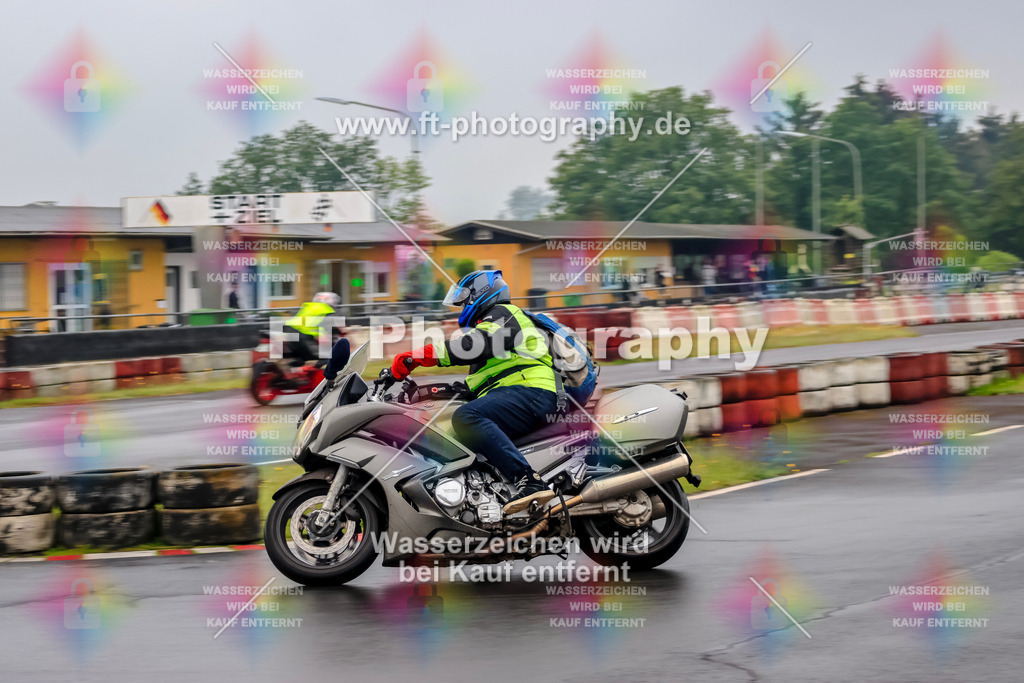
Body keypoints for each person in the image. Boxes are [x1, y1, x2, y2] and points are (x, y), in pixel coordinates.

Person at [390, 270, 559, 515]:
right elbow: (472, 387)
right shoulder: (491, 332)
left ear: (480, 294)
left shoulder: (504, 314)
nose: (462, 308)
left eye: (464, 300)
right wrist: (422, 393)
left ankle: (529, 481)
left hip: (533, 391)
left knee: (467, 417)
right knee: (448, 434)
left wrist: (420, 356)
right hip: (514, 393)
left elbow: (472, 346)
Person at [280, 291, 340, 368]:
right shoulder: (327, 311)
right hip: (303, 338)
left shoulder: (308, 307)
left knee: (299, 359)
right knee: (328, 358)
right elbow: (329, 332)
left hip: (290, 335)